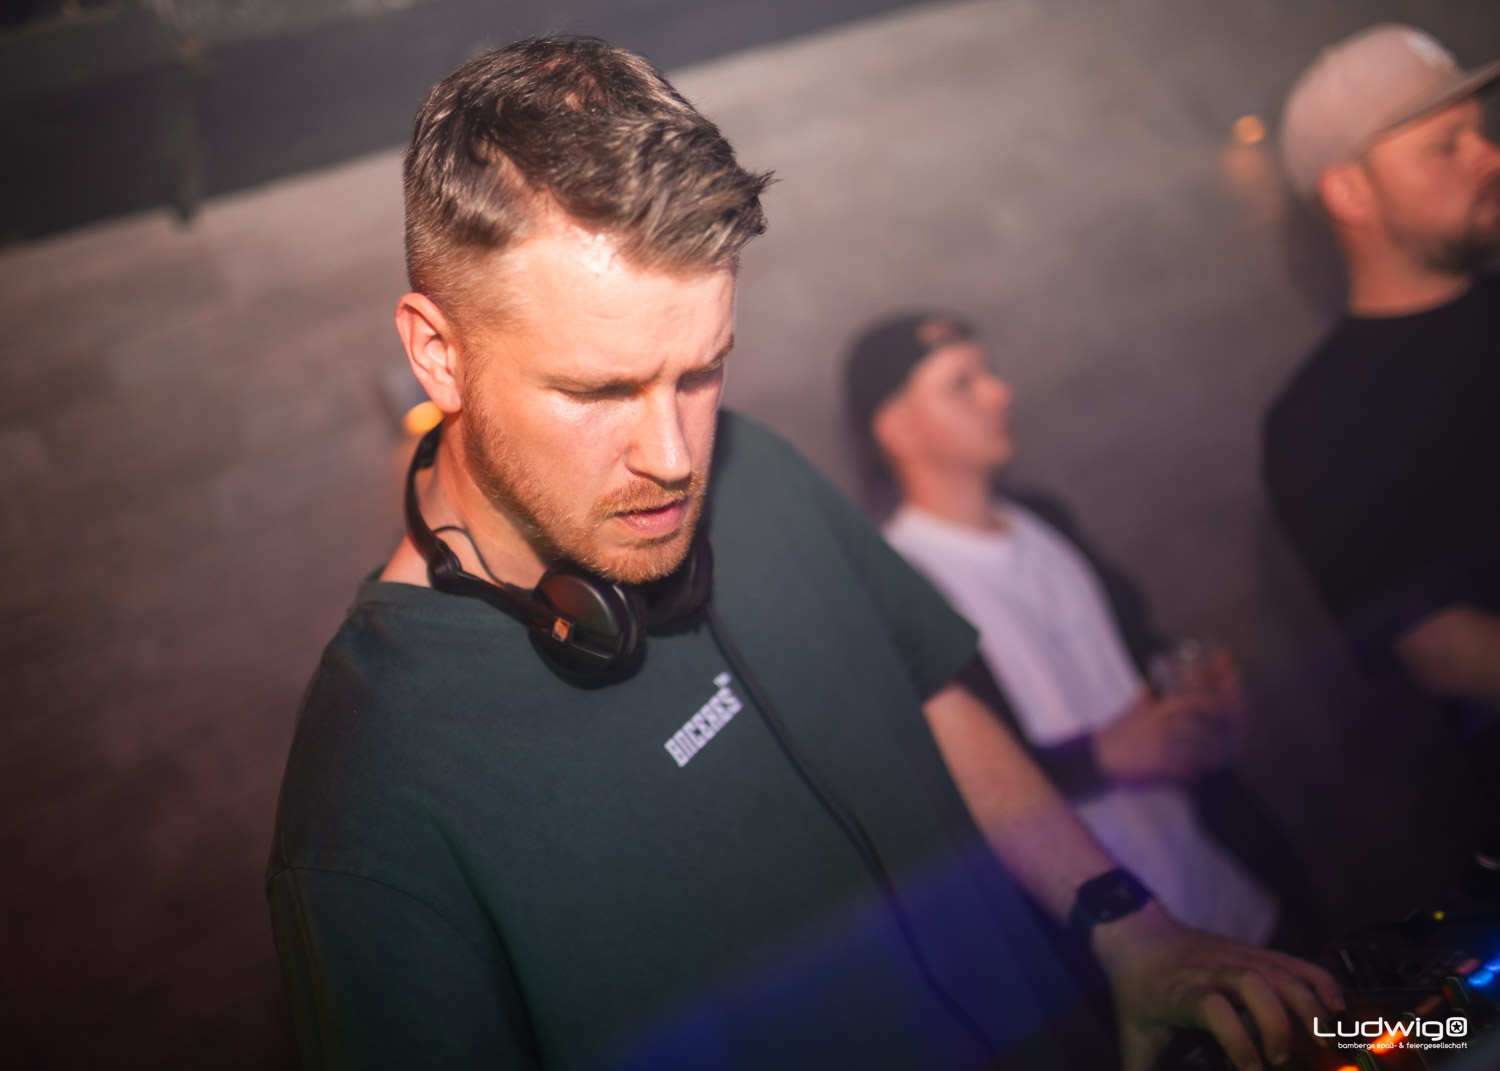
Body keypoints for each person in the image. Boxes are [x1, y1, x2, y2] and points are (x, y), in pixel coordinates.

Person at [268, 35, 1341, 1071]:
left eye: (701, 371)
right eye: (599, 390)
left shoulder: (759, 467)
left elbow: (928, 697)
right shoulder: (375, 798)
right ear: (438, 353)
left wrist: (1127, 926)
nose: (673, 458)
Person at [846, 312, 1294, 951]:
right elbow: (947, 791)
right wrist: (1101, 759)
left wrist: (1193, 687)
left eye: (989, 372)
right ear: (898, 429)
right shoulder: (896, 586)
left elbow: (1131, 650)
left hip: (1226, 882)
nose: (999, 393)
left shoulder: (1043, 517)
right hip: (1109, 945)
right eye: (962, 385)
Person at [1262, 26, 1500, 826]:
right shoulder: (1320, 425)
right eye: (1446, 146)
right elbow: (1446, 649)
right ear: (1350, 194)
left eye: (1481, 132)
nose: (1489, 157)